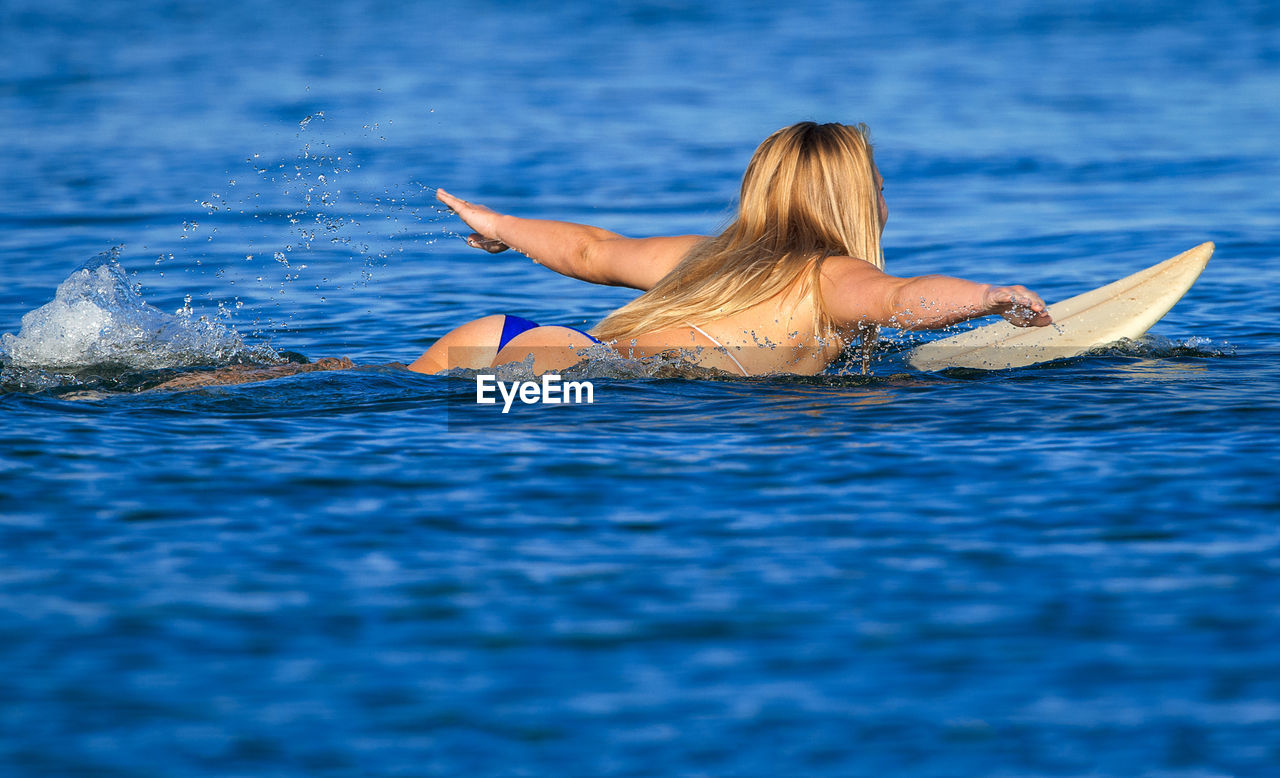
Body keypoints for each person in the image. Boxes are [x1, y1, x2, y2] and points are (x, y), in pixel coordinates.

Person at [409, 122, 1051, 378]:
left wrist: (500, 224)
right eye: (879, 191)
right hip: (599, 388)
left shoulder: (705, 256)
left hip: (511, 337)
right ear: (856, 204)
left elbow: (589, 250)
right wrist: (988, 298)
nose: (887, 206)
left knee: (421, 407)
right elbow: (903, 298)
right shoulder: (829, 278)